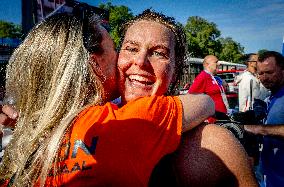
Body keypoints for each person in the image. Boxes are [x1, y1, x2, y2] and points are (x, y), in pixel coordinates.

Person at [0, 9, 257, 187]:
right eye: (130, 48)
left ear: (177, 69)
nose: (140, 62)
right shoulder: (52, 126)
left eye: (158, 53)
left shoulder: (210, 144)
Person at [245, 51, 284, 187]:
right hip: (270, 174)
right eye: (261, 73)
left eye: (269, 72)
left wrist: (259, 129)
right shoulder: (272, 95)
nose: (264, 78)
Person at [188, 55, 229, 121]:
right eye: (216, 62)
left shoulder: (216, 77)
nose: (219, 64)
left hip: (222, 117)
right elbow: (190, 97)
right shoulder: (202, 77)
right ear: (207, 64)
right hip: (213, 120)